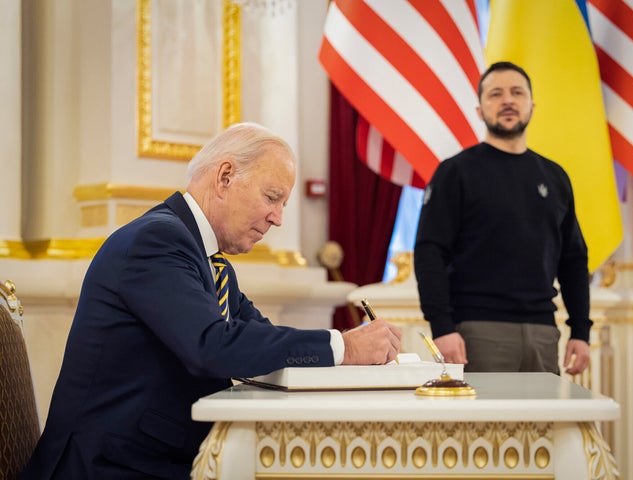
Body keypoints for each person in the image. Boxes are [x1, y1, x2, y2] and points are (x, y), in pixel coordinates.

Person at [22, 122, 402, 479]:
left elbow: (257, 339)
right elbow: (212, 345)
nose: (278, 218)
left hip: (156, 455)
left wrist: (345, 357)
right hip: (109, 465)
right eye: (272, 198)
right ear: (225, 178)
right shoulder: (156, 242)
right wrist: (343, 345)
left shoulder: (208, 260)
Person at [414, 61, 591, 376]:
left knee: (541, 426)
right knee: (483, 427)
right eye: (495, 94)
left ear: (531, 106)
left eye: (517, 93)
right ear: (480, 110)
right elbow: (430, 253)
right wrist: (442, 326)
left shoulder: (555, 177)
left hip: (543, 332)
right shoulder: (455, 173)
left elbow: (573, 260)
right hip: (476, 332)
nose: (507, 100)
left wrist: (581, 330)